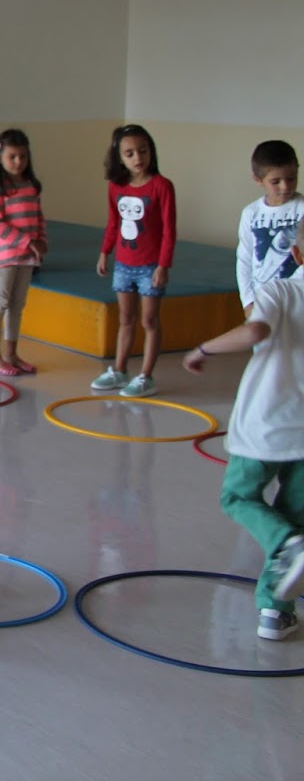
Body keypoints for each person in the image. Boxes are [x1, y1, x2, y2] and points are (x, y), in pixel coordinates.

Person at [184, 270, 304, 641]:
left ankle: (288, 545)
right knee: (294, 513)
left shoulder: (280, 290)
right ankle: (275, 613)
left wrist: (202, 349)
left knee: (238, 497)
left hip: (267, 423)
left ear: (297, 254)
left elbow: (254, 331)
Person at [93, 124, 176, 398]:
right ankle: (119, 370)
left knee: (149, 320)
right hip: (123, 265)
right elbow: (113, 223)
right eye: (129, 154)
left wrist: (163, 265)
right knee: (126, 318)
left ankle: (146, 376)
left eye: (143, 151)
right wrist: (105, 252)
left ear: (151, 151)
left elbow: (169, 230)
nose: (138, 158)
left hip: (150, 267)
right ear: (120, 158)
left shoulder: (162, 186)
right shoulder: (115, 187)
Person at [0, 128, 48, 377]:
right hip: (3, 258)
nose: (18, 162)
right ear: (0, 157)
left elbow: (39, 218)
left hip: (26, 258)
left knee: (17, 305)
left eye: (23, 156)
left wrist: (41, 241)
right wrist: (27, 241)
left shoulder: (31, 186)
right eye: (12, 156)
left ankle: (11, 354)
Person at [237, 139, 301, 313]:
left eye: (291, 178)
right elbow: (244, 258)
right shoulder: (250, 213)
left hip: (297, 301)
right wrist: (248, 301)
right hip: (262, 302)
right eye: (275, 181)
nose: (285, 186)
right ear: (258, 179)